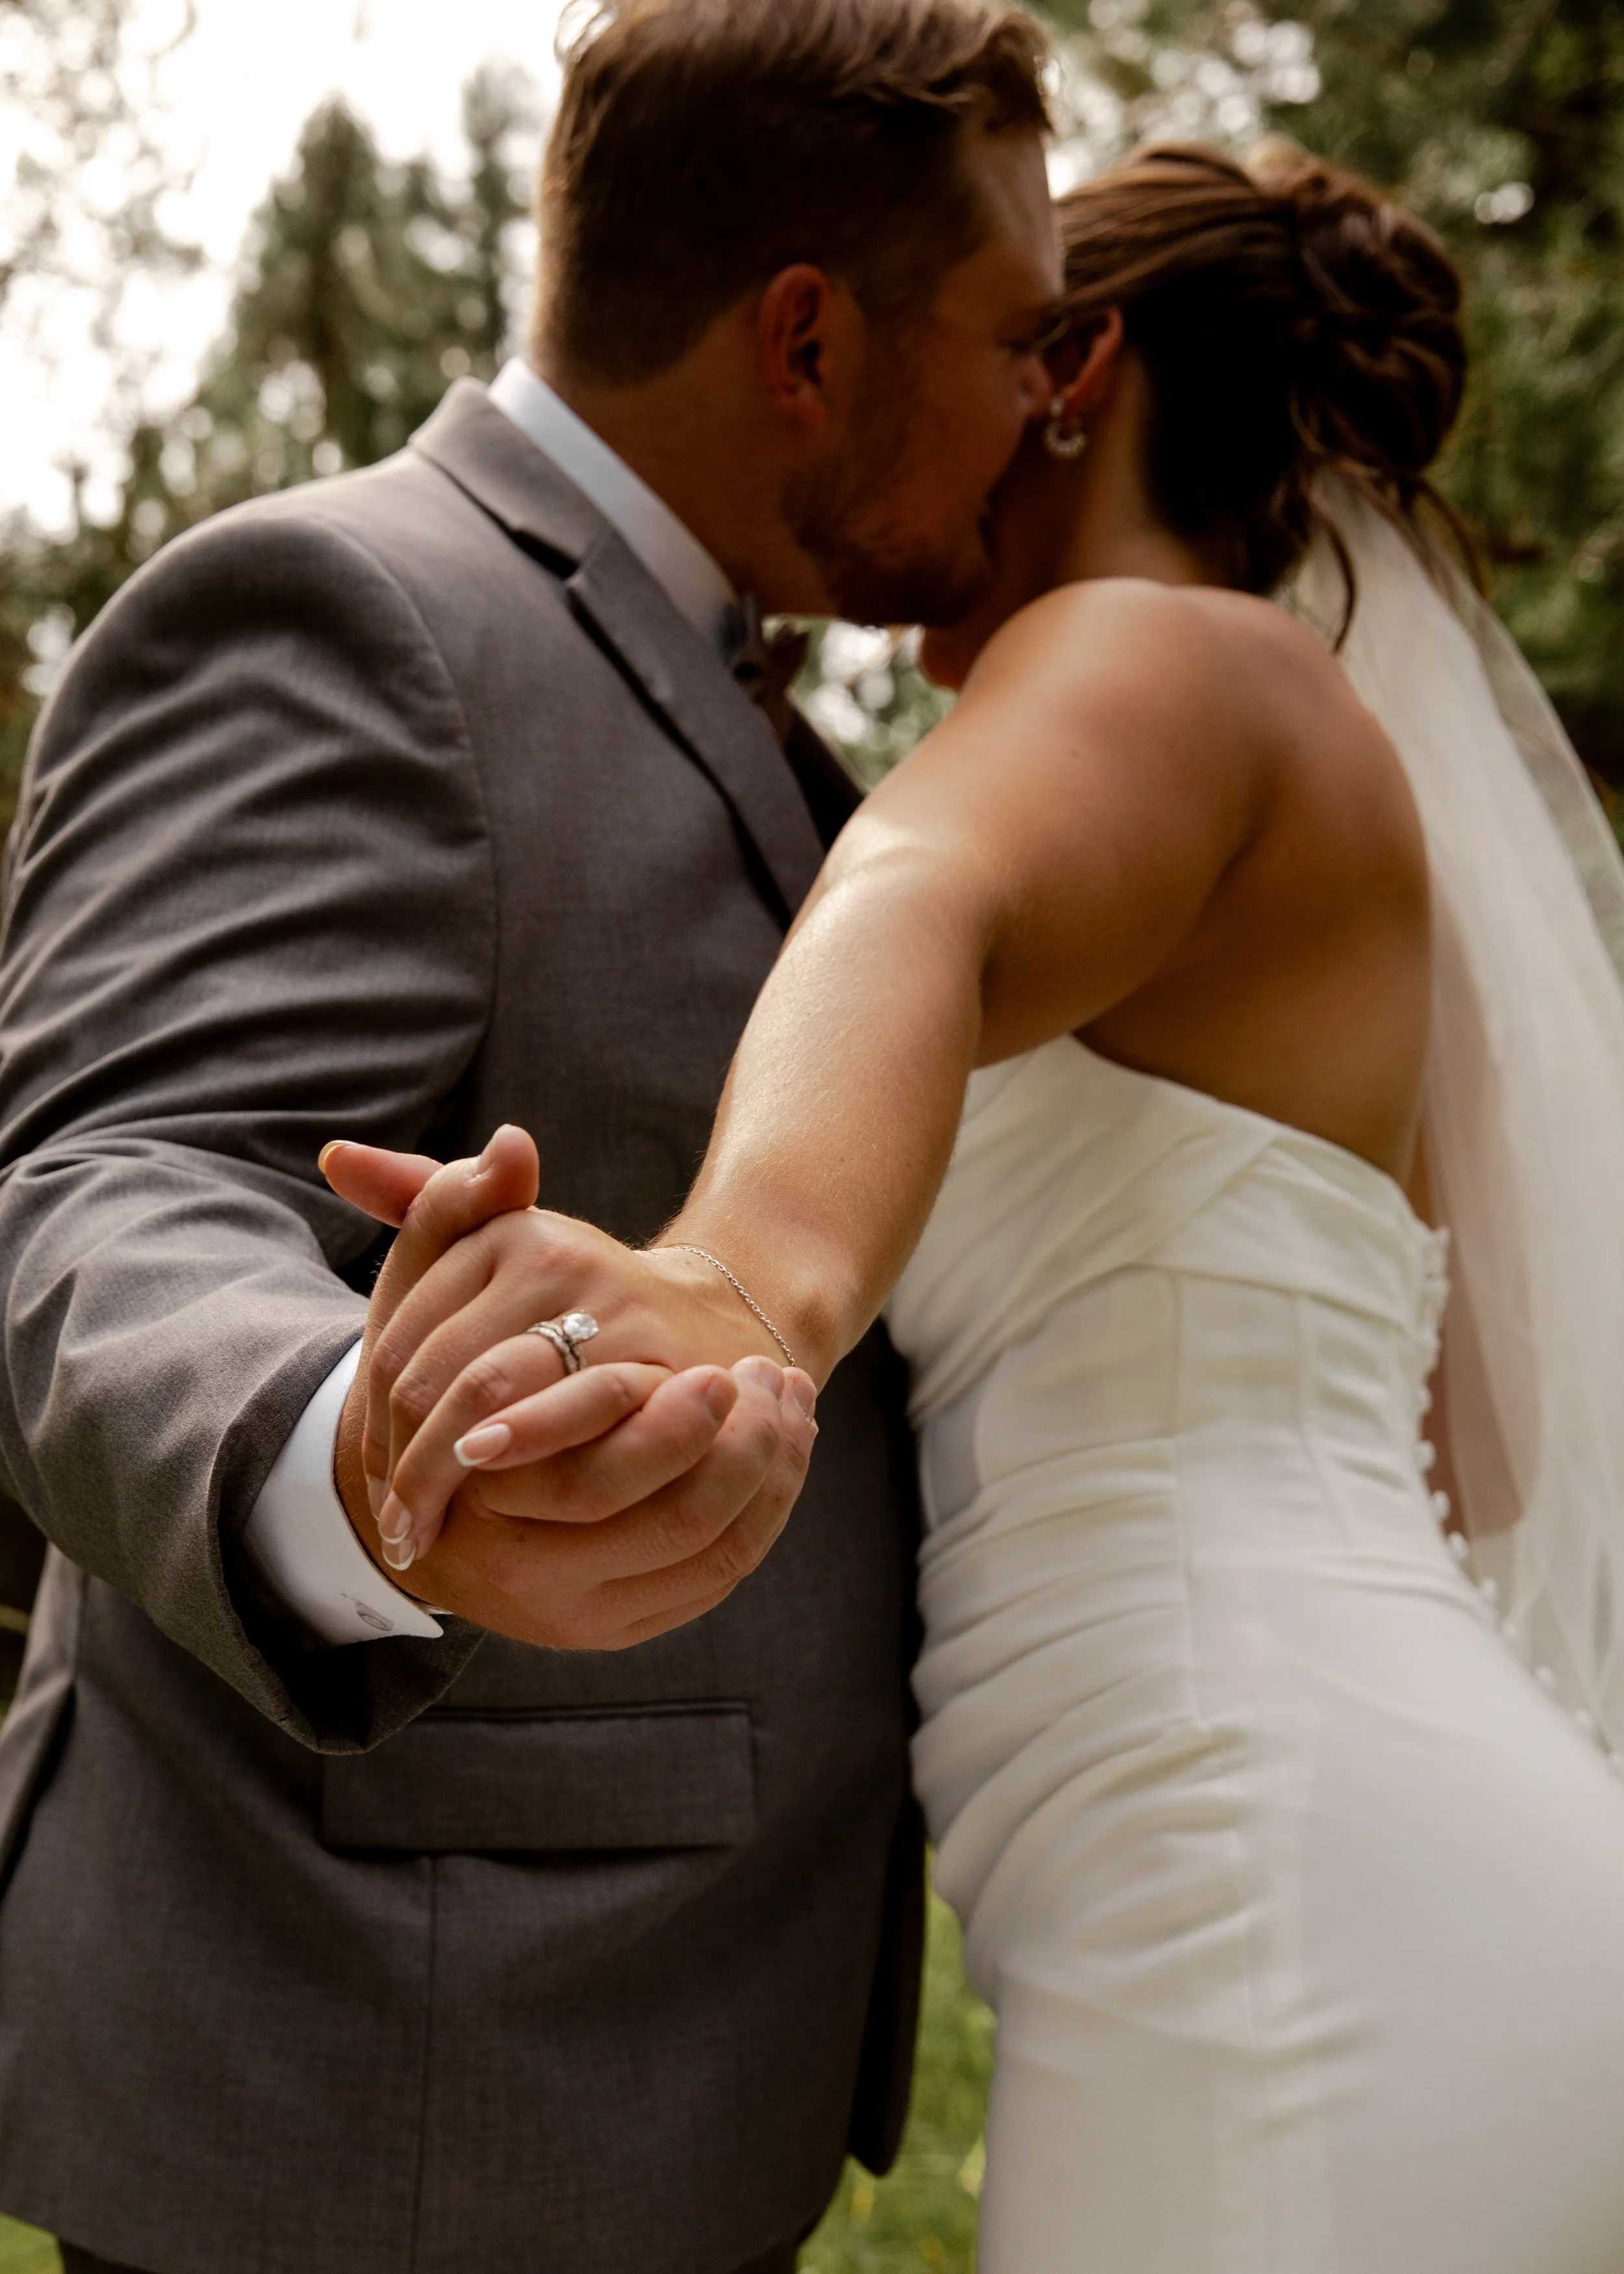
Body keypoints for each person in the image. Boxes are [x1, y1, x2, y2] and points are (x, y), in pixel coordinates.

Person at [337, 145, 1624, 2270]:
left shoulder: (1142, 652)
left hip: (1263, 1886)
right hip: (1340, 1848)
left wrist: (739, 1278)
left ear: (1070, 371)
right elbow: (1463, 1446)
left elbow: (917, 905)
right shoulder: (1283, 760)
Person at [0, 5, 1065, 2269]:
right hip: (369, 2107)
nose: (1037, 405)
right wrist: (349, 1449)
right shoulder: (355, 606)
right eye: (1012, 334)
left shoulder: (761, 711)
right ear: (804, 336)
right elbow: (103, 1191)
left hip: (641, 2064)